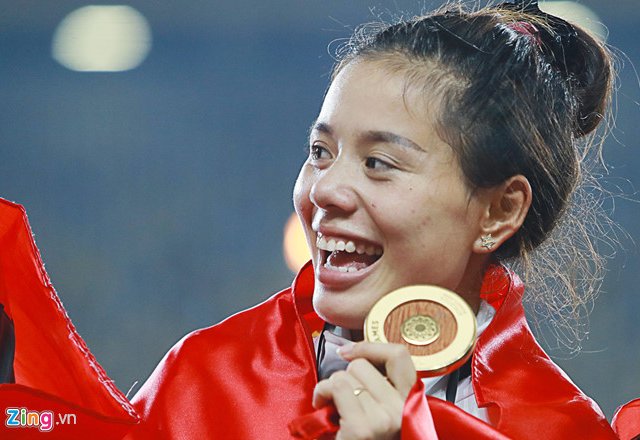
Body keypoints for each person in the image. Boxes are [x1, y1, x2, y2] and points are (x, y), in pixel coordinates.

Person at [123, 1, 619, 439]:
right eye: (320, 151)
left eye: (378, 163)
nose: (324, 190)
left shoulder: (564, 431)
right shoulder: (207, 382)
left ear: (499, 210)